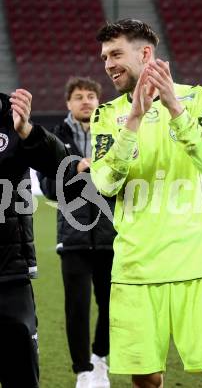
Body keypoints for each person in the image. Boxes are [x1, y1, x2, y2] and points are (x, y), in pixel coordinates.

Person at [90, 19, 202, 388]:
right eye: (104, 57)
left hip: (198, 263)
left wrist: (174, 106)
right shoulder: (107, 115)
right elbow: (105, 183)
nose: (108, 64)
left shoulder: (198, 97)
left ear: (145, 53)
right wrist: (136, 119)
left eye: (115, 54)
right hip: (136, 268)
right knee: (146, 381)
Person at [38, 77, 115, 388]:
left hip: (111, 237)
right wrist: (76, 170)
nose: (86, 101)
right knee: (77, 308)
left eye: (91, 96)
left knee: (113, 306)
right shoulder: (54, 138)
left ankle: (100, 359)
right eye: (79, 97)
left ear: (99, 102)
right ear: (68, 104)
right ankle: (83, 370)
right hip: (73, 239)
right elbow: (47, 187)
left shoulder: (114, 135)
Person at [0, 89, 69, 388]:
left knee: (22, 378)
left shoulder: (10, 114)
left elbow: (61, 167)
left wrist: (26, 130)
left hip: (10, 277)